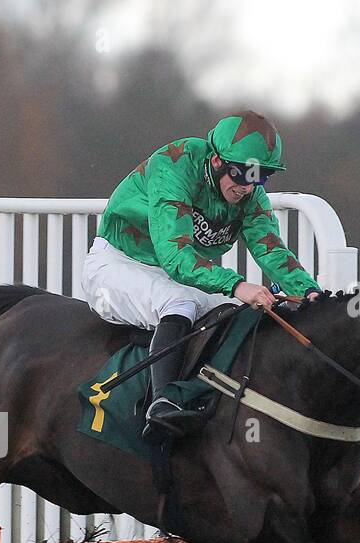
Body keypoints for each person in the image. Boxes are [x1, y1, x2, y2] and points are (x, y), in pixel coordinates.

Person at [81, 110, 322, 441]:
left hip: (175, 277)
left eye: (261, 176)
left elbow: (271, 251)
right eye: (241, 174)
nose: (247, 187)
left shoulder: (250, 194)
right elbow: (175, 256)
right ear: (216, 161)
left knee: (237, 313)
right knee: (181, 300)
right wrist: (236, 284)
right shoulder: (175, 166)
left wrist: (311, 293)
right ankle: (162, 403)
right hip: (117, 265)